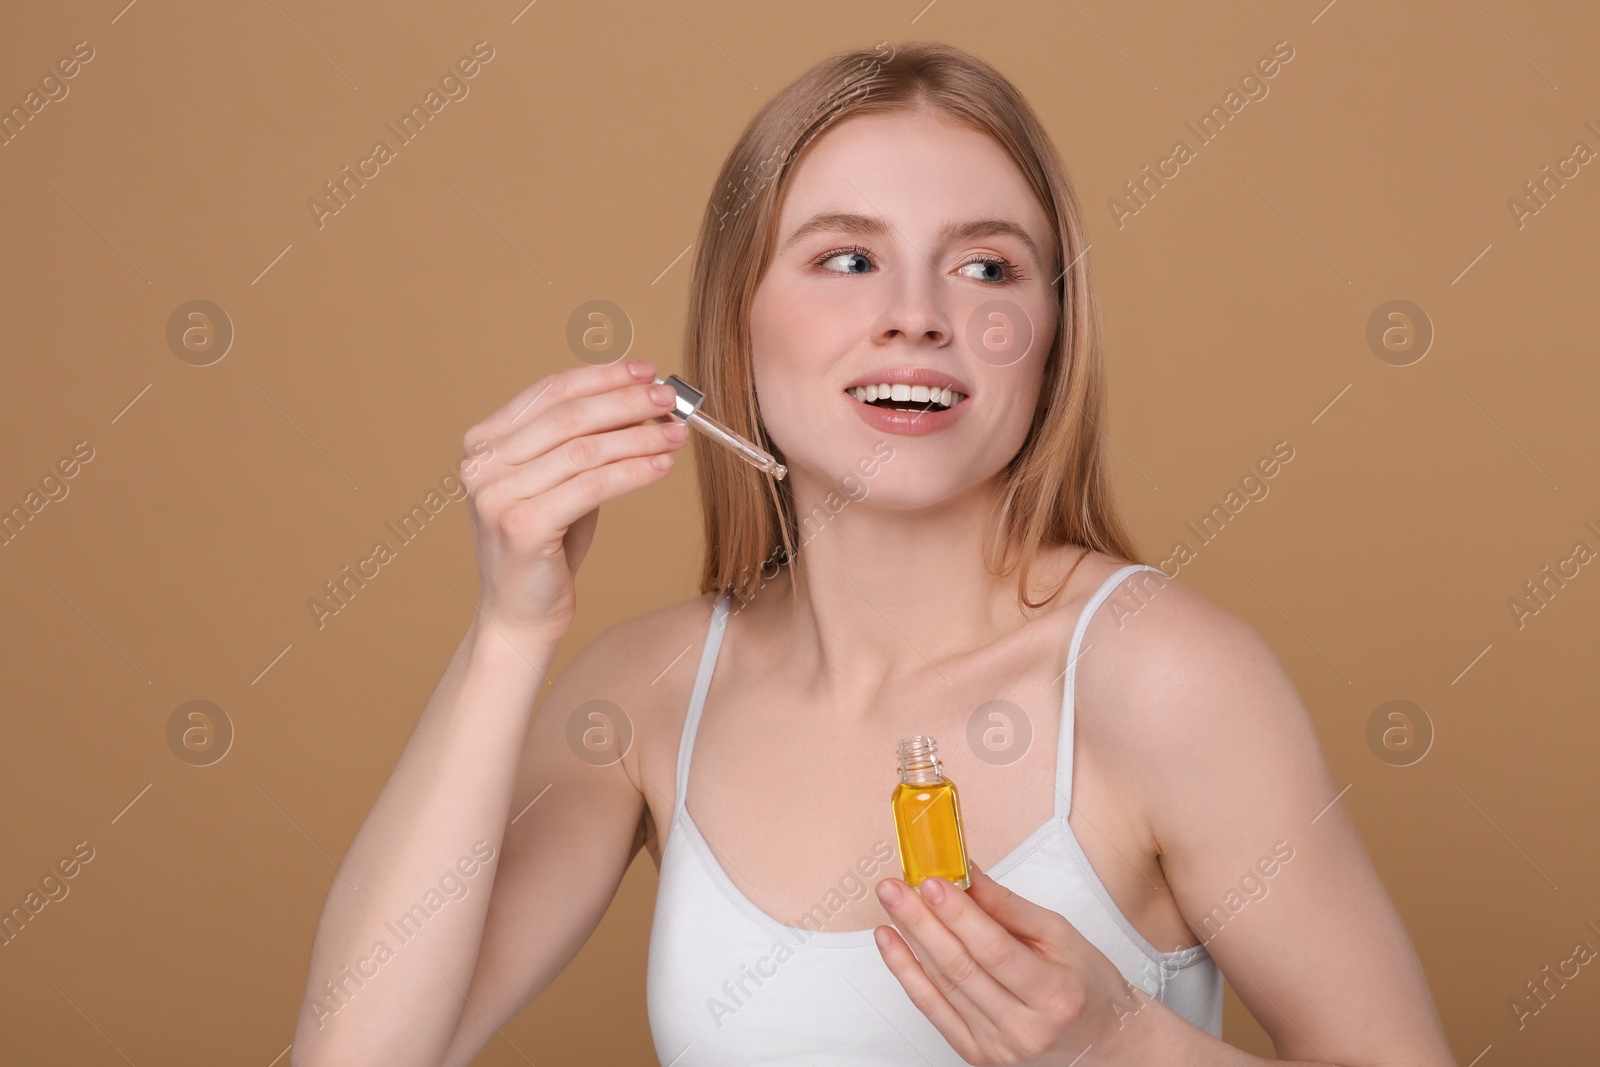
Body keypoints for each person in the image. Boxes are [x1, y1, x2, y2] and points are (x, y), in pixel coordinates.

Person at [292, 40, 1457, 1066]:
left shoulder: (1161, 675)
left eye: (988, 265)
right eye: (846, 259)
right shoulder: (645, 694)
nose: (919, 313)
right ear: (735, 321)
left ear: (1048, 342)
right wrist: (510, 632)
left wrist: (1123, 1049)